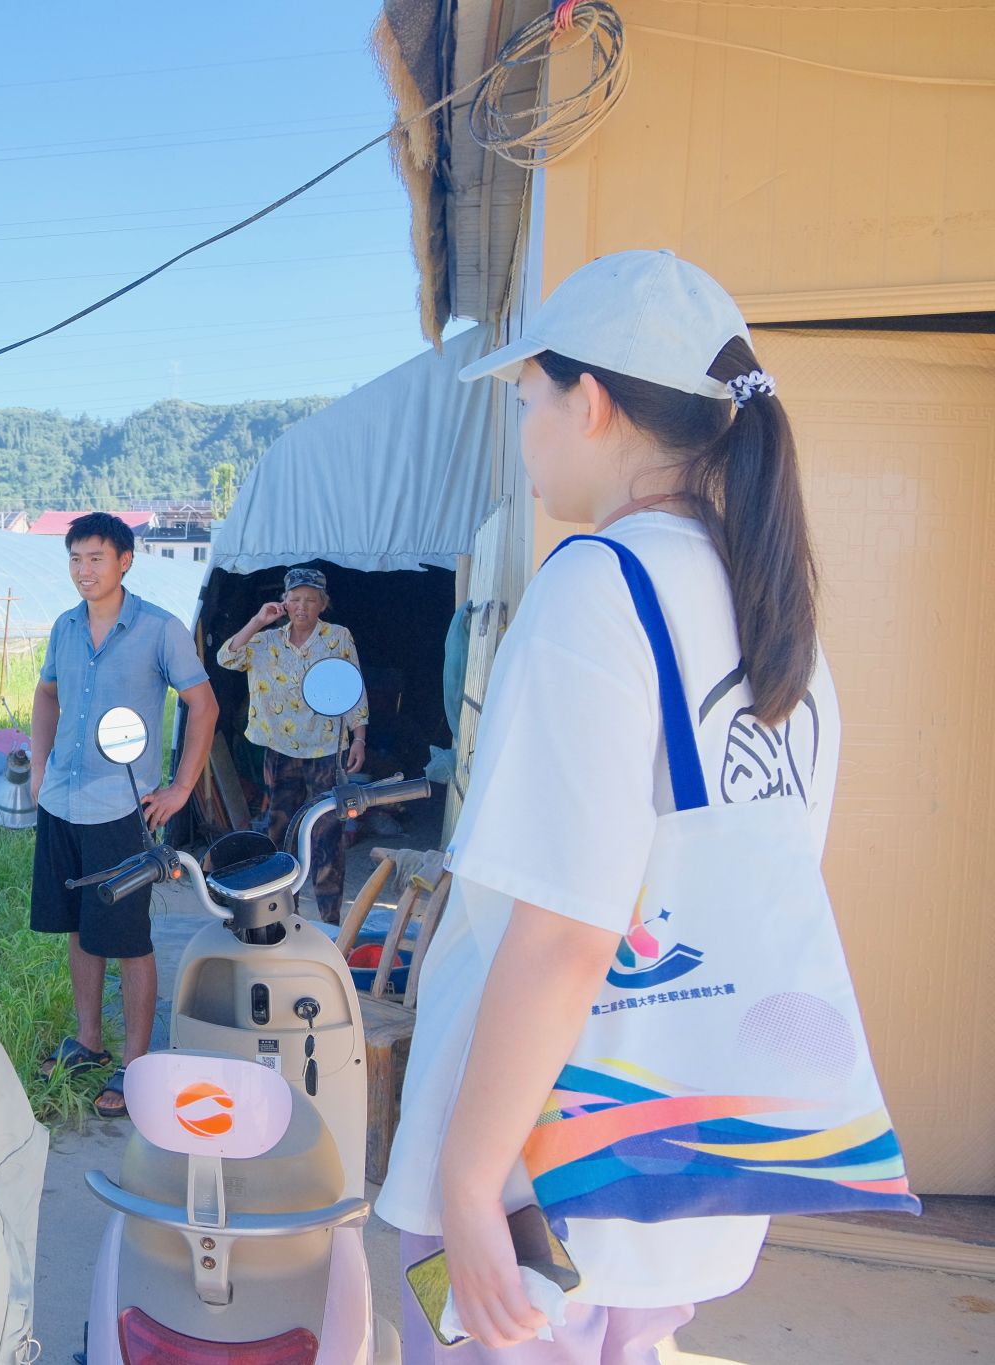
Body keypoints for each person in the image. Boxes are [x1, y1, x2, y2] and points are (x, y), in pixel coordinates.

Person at [376, 250, 840, 1362]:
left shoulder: (596, 585)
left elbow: (565, 933)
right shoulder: (776, 620)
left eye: (527, 398)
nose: (524, 429)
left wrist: (467, 1182)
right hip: (689, 1157)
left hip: (543, 1175)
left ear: (587, 402)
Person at [29, 511, 218, 1120]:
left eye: (96, 558)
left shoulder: (160, 629)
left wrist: (181, 787)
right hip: (62, 802)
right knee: (80, 927)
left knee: (130, 939)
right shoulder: (65, 627)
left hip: (121, 807)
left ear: (125, 561)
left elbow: (203, 705)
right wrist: (39, 768)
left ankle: (137, 1064)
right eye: (75, 559)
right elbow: (47, 694)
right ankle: (88, 1040)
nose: (84, 571)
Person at [216, 566, 370, 922]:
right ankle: (285, 916)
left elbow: (353, 686)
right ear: (284, 602)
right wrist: (258, 620)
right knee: (281, 831)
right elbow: (227, 657)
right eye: (295, 599)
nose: (302, 606)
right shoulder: (266, 641)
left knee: (327, 833)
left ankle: (330, 921)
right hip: (280, 750)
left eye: (311, 600)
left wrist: (359, 738)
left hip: (326, 750)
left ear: (322, 604)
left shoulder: (338, 638)